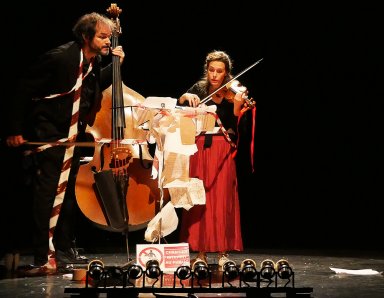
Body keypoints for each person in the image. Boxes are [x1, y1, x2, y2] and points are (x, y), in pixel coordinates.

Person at [5, 12, 125, 275]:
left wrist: (115, 66)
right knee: (47, 197)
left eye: (109, 37)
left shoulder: (91, 62)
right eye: (103, 36)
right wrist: (15, 129)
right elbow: (24, 88)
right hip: (48, 135)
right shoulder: (61, 57)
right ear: (86, 36)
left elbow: (85, 88)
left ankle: (60, 251)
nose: (108, 41)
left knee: (66, 198)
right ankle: (41, 257)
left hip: (72, 137)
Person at [178, 50, 248, 269]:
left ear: (226, 72)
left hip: (223, 149)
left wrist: (238, 105)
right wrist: (185, 97)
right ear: (206, 70)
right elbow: (179, 102)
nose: (215, 75)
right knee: (199, 199)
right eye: (211, 70)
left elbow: (240, 124)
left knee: (223, 199)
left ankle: (223, 252)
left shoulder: (233, 92)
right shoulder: (199, 89)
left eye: (220, 71)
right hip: (199, 148)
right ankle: (200, 252)